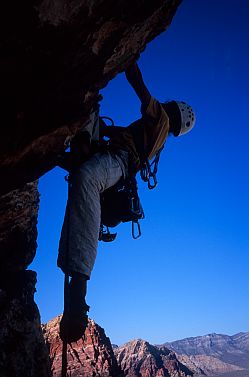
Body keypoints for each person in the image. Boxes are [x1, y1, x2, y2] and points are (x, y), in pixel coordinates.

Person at [57, 62, 196, 343]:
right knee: (90, 107)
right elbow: (122, 133)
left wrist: (129, 57)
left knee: (86, 178)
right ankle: (82, 148)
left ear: (174, 112)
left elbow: (138, 85)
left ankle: (79, 290)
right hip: (113, 154)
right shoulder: (153, 129)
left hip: (117, 162)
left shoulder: (161, 119)